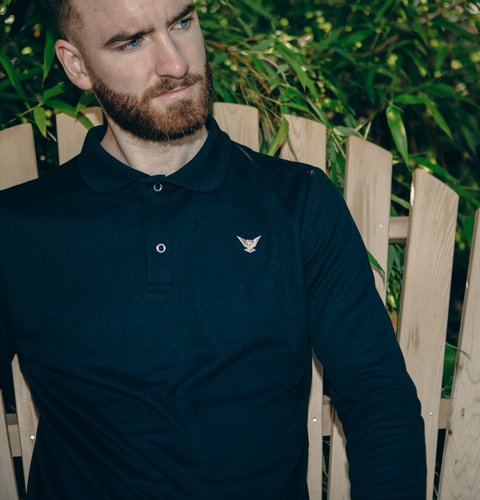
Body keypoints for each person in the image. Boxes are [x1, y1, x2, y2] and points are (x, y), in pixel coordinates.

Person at [0, 0, 426, 498]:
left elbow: (377, 395)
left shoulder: (297, 203)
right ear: (77, 65)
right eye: (132, 42)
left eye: (182, 22)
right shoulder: (17, 229)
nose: (177, 63)